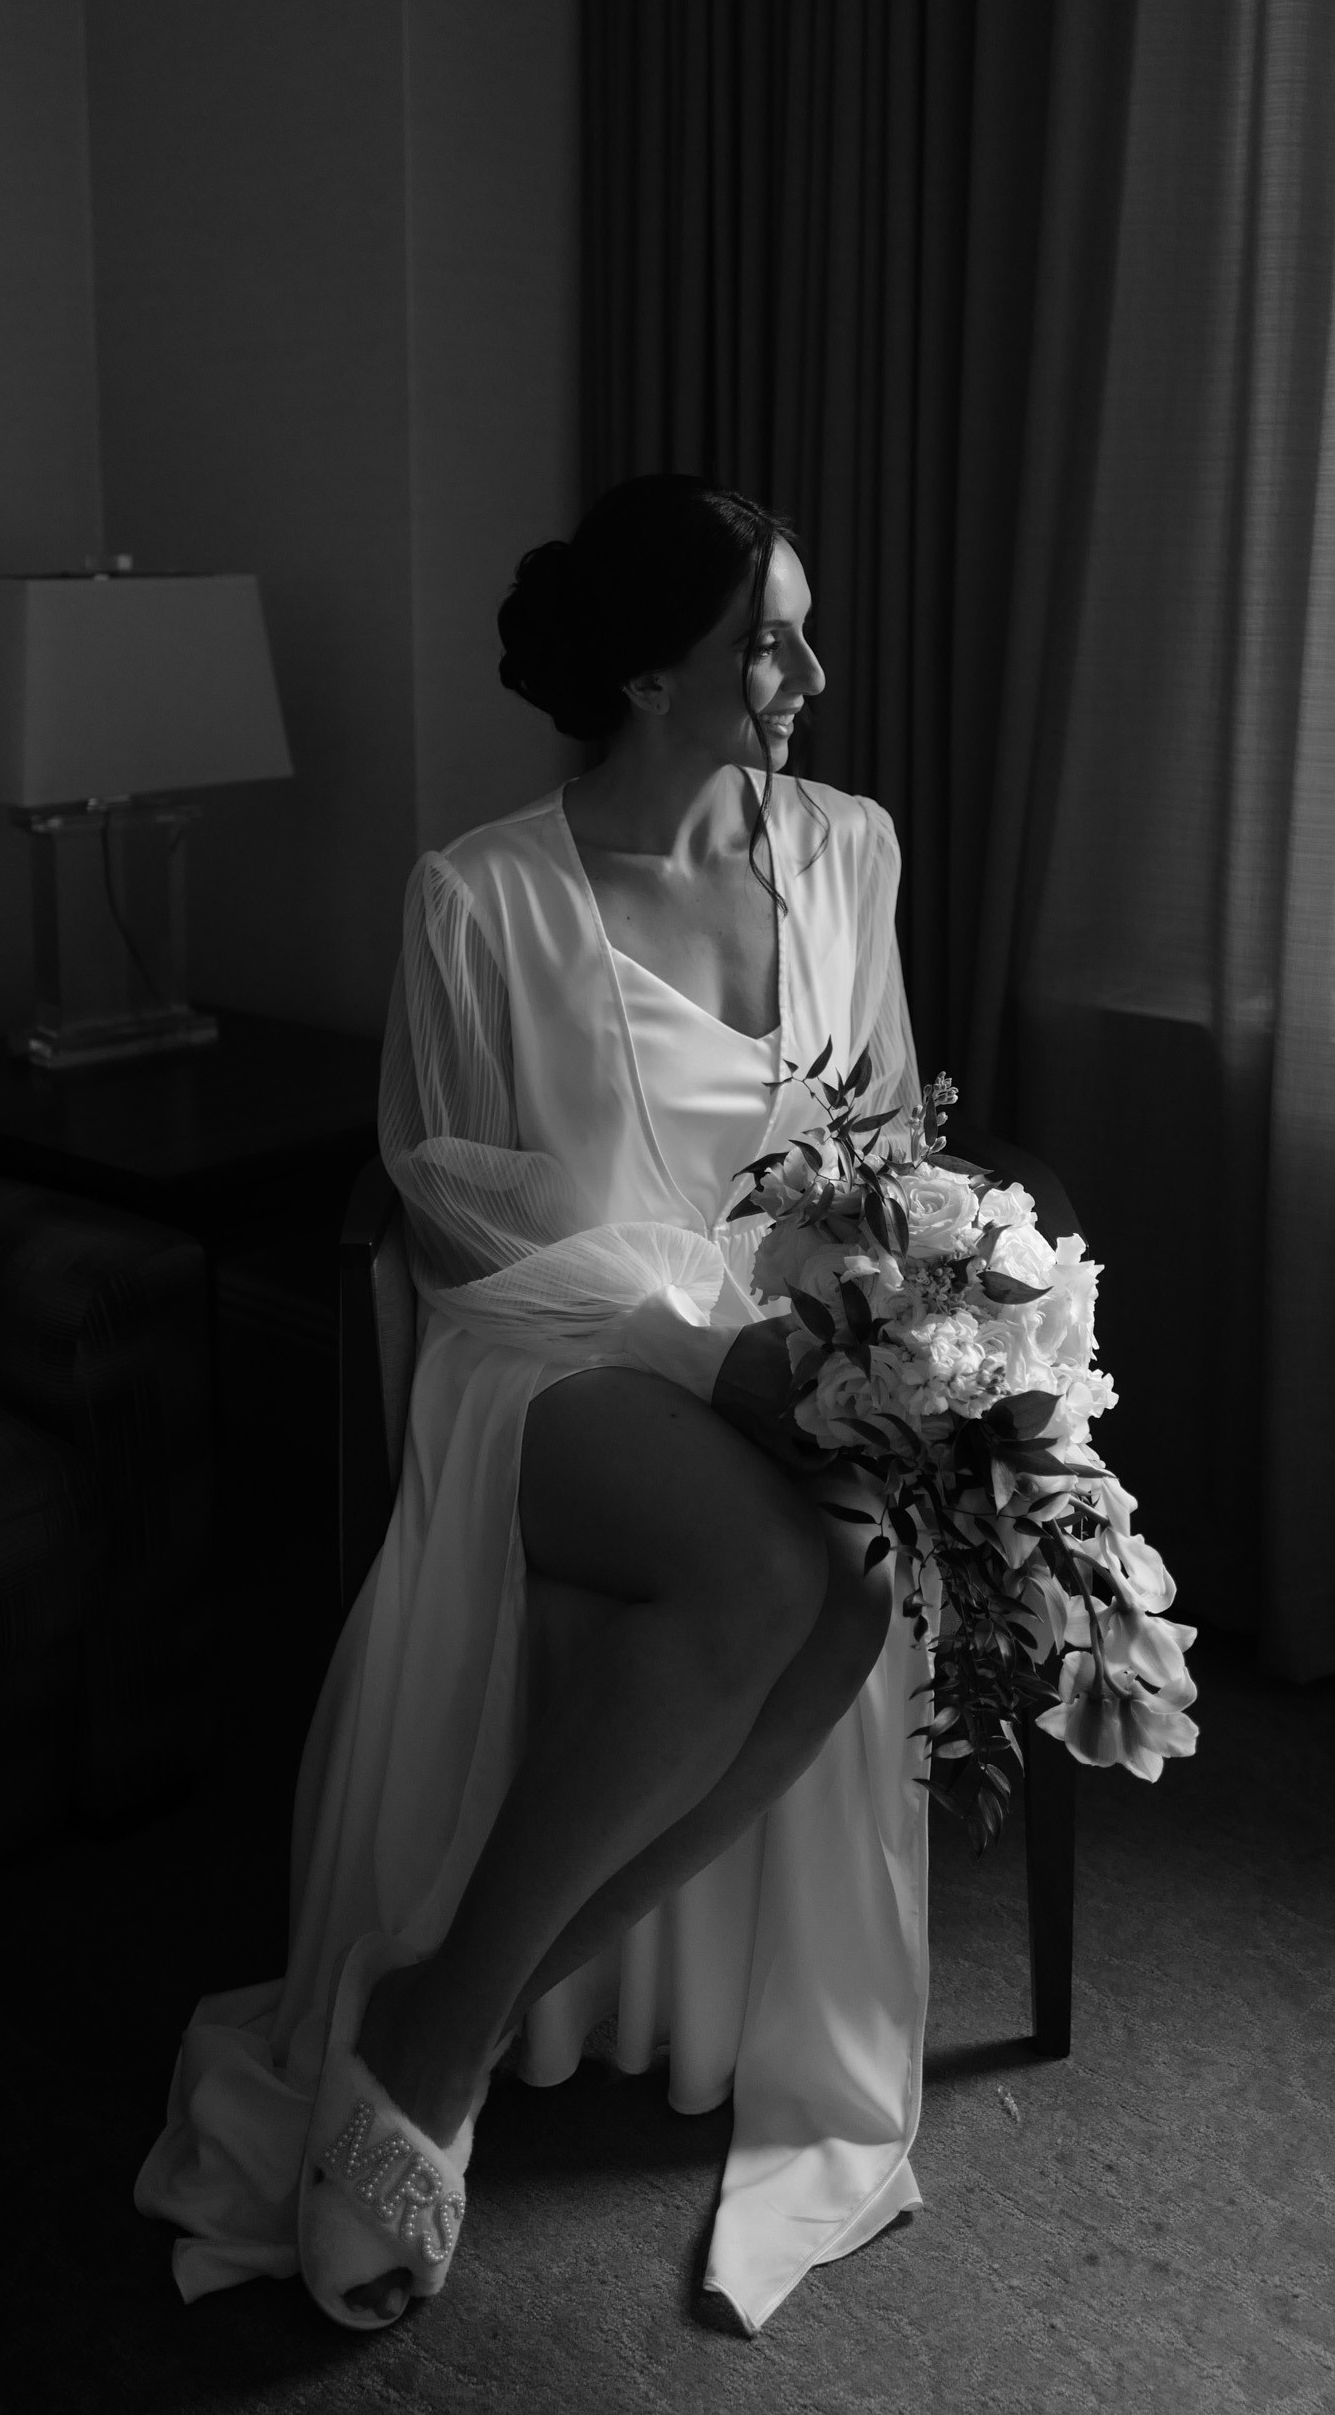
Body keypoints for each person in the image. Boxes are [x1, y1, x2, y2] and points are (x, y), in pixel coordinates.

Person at [136, 475, 933, 2335]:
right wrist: (706, 1350)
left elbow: (884, 1143)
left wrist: (895, 1329)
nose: (809, 668)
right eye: (767, 639)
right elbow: (458, 1203)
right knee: (751, 1574)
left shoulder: (849, 851)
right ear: (652, 680)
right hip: (547, 1352)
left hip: (774, 1346)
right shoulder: (483, 896)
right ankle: (420, 2054)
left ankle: (455, 2012)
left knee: (861, 1585)